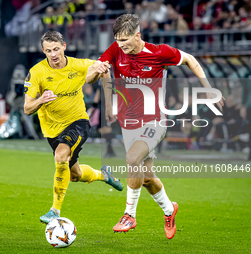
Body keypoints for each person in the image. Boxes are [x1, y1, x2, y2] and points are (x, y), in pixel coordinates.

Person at [86, 14, 225, 239]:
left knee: (132, 159)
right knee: (146, 177)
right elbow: (101, 72)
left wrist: (207, 87)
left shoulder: (159, 52)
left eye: (125, 40)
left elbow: (190, 59)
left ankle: (129, 215)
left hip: (155, 120)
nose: (121, 45)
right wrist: (107, 98)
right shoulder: (115, 50)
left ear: (138, 36)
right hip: (128, 121)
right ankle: (170, 210)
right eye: (118, 40)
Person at [23, 31, 123, 224]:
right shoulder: (36, 72)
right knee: (75, 175)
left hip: (78, 123)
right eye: (48, 50)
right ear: (43, 51)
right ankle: (104, 175)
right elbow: (27, 108)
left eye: (56, 49)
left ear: (64, 47)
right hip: (52, 129)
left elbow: (103, 70)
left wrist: (109, 107)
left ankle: (55, 211)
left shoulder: (79, 64)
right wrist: (41, 100)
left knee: (60, 155)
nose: (53, 54)